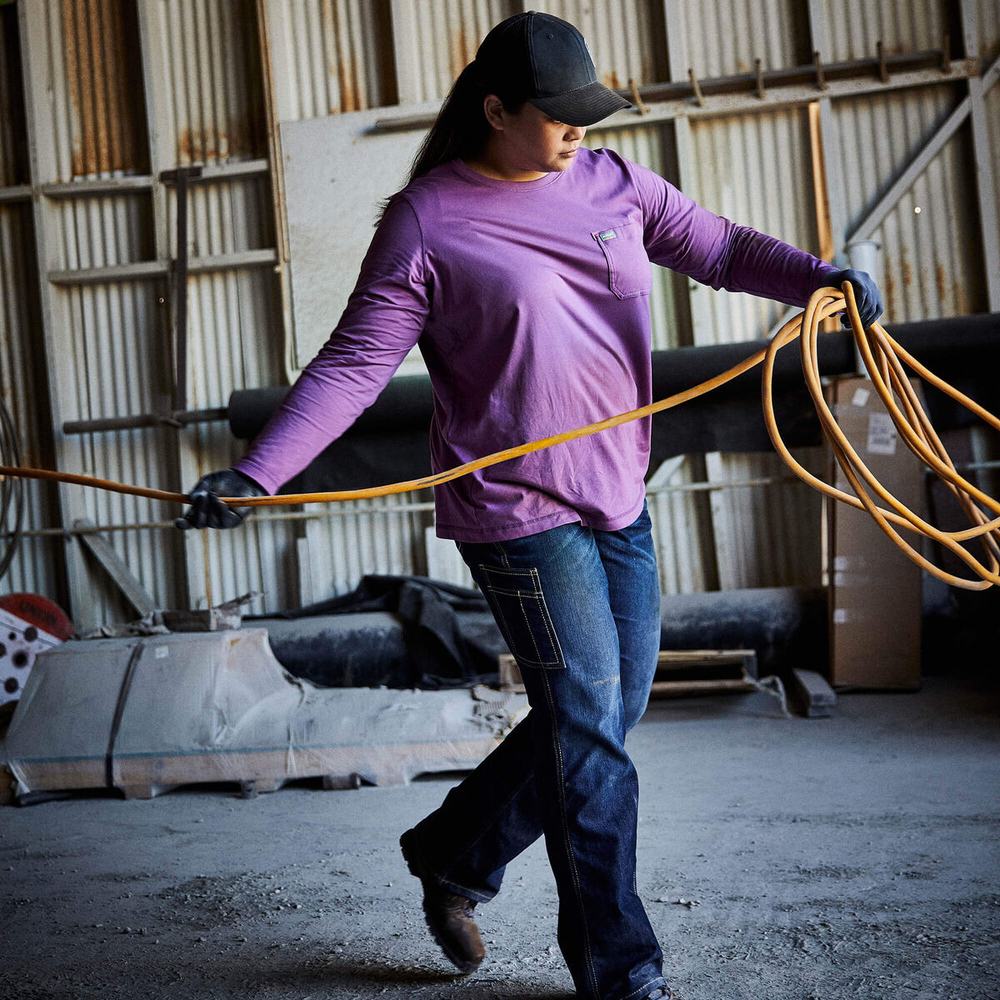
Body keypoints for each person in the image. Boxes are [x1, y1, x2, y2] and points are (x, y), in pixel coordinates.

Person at [177, 11, 883, 1000]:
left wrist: (822, 280)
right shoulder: (428, 219)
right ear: (495, 108)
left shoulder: (613, 184)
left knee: (604, 707)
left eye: (586, 113)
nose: (578, 130)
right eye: (557, 116)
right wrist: (260, 473)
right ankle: (620, 971)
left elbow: (719, 248)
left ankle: (454, 852)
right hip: (515, 509)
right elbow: (353, 365)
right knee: (590, 719)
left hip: (612, 489)